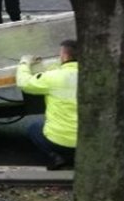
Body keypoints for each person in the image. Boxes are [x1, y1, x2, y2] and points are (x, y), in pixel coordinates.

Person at [17, 39, 79, 171]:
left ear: (65, 56)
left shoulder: (52, 78)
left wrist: (25, 63)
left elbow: (24, 83)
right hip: (90, 140)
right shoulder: (95, 77)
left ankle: (56, 156)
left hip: (58, 141)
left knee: (34, 128)